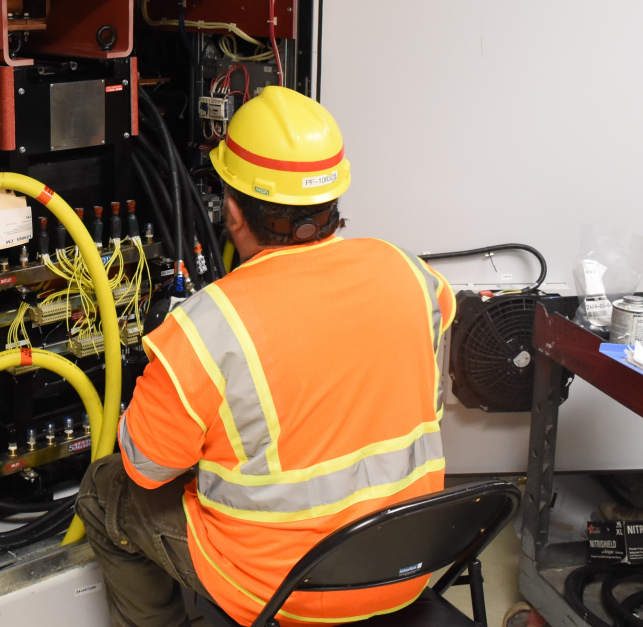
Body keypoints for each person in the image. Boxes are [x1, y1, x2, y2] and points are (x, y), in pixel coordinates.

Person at [77, 86, 456, 627]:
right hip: (406, 562)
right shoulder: (413, 275)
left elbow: (146, 469)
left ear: (232, 211)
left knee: (104, 490)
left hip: (285, 593)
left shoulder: (205, 328)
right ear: (333, 200)